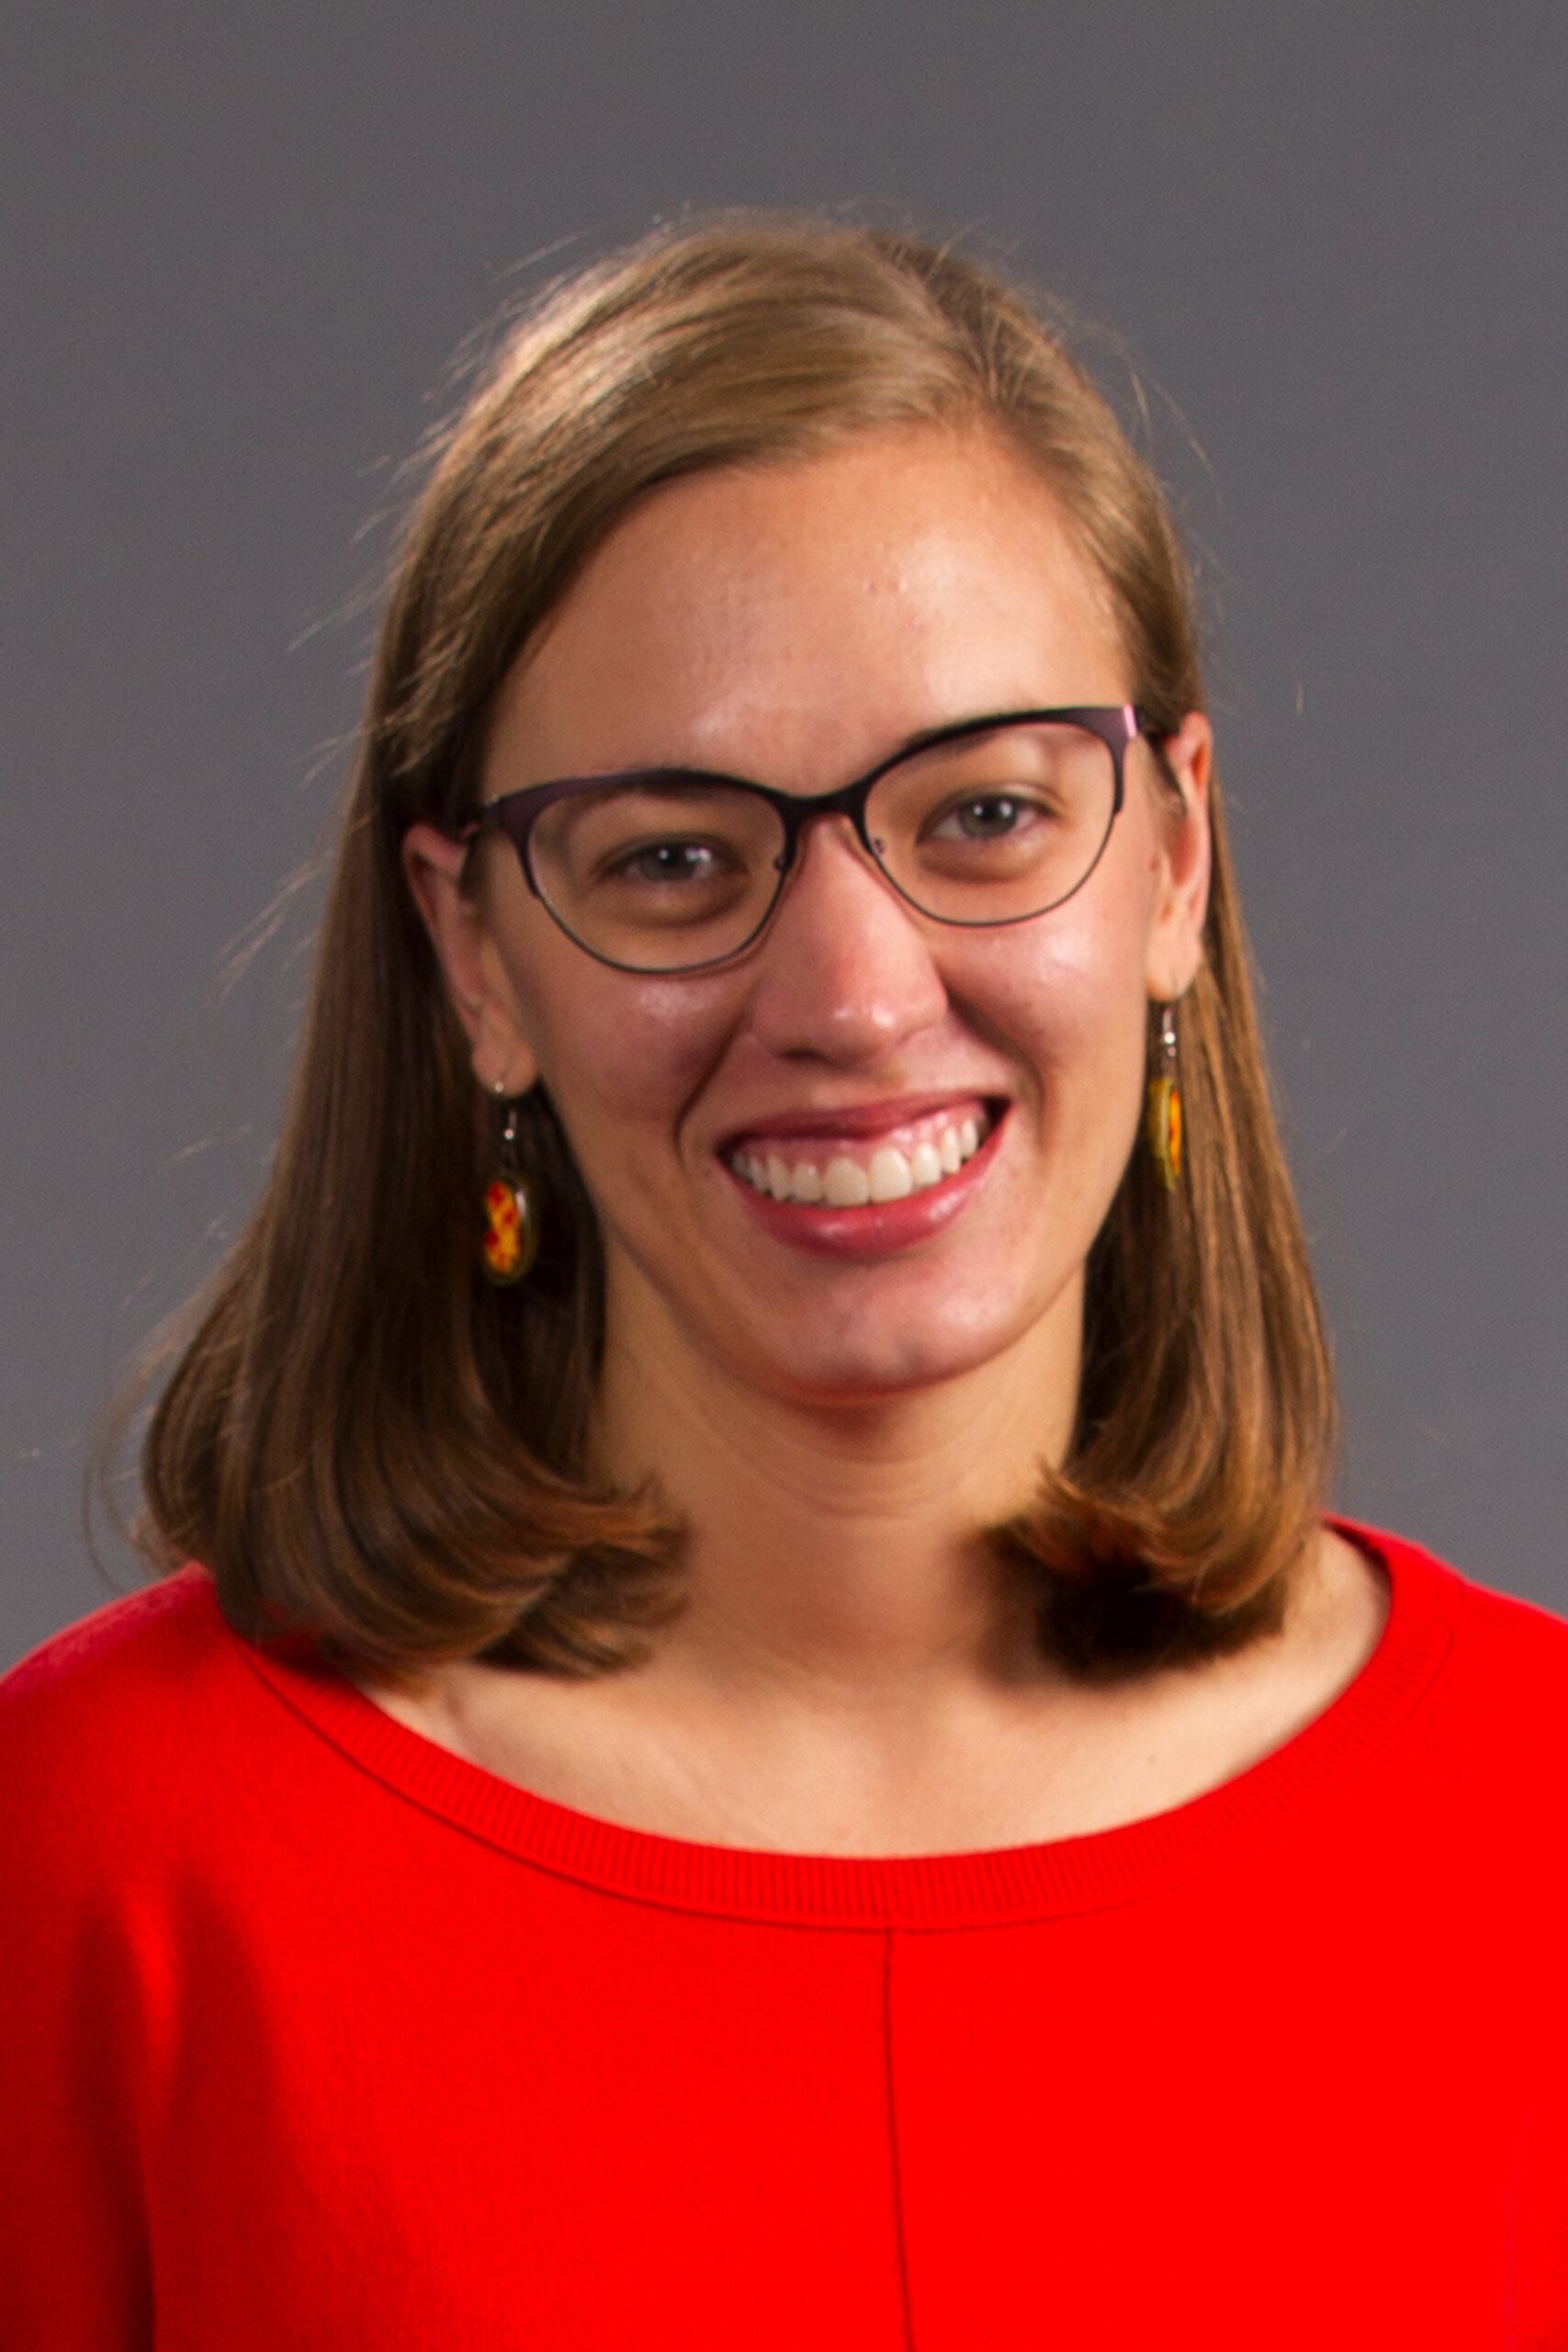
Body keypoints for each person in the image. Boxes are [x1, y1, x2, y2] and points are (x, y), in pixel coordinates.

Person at [3, 213, 1565, 2349]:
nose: (847, 989)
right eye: (671, 856)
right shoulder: (101, 1859)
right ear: (476, 957)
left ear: (1175, 863)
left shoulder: (1533, 1839)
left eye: (986, 813)